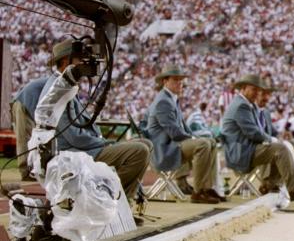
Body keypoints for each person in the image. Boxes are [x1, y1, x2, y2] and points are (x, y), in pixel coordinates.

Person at [37, 40, 152, 200]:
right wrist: (104, 143)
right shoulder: (57, 89)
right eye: (79, 59)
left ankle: (122, 202)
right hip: (72, 154)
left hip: (80, 149)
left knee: (146, 144)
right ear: (65, 62)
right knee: (139, 151)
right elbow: (74, 135)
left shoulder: (66, 85)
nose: (84, 64)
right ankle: (112, 202)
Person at [221, 74, 294, 201]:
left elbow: (256, 132)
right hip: (241, 152)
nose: (256, 93)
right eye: (254, 89)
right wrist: (271, 140)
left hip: (246, 148)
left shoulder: (247, 104)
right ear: (243, 88)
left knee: (280, 147)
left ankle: (275, 185)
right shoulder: (241, 106)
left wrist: (273, 139)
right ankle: (293, 189)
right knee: (279, 149)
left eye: (258, 90)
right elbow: (253, 132)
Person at [145, 66, 221, 204]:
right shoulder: (163, 101)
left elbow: (184, 127)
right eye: (176, 80)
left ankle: (207, 187)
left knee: (211, 142)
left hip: (173, 145)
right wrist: (194, 138)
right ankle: (198, 192)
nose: (180, 83)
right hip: (164, 151)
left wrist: (195, 137)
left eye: (181, 80)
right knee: (203, 144)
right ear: (165, 82)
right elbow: (174, 133)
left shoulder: (171, 99)